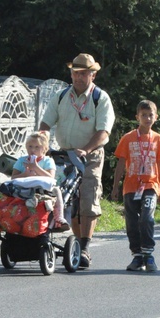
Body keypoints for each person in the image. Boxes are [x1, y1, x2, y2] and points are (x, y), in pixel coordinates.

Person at [39, 53, 115, 268]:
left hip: (91, 154)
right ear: (71, 74)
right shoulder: (62, 96)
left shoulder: (100, 98)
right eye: (75, 73)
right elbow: (45, 124)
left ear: (93, 75)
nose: (79, 77)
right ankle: (77, 246)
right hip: (65, 154)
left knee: (88, 197)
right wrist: (42, 143)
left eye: (84, 74)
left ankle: (85, 247)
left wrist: (86, 149)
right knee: (68, 198)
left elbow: (104, 132)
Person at [111, 100, 160, 272]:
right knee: (132, 222)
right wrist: (115, 187)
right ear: (137, 117)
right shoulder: (128, 138)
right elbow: (121, 163)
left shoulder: (158, 139)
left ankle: (148, 254)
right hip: (131, 186)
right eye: (144, 115)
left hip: (150, 185)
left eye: (151, 115)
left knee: (146, 218)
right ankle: (137, 255)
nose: (147, 118)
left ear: (156, 117)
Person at [0, 131, 68, 230]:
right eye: (30, 147)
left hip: (42, 188)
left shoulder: (48, 161)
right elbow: (14, 177)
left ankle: (59, 218)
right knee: (0, 187)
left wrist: (35, 167)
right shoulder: (21, 160)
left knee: (57, 190)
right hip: (22, 186)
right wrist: (25, 174)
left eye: (37, 147)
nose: (33, 150)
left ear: (44, 149)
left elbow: (50, 177)